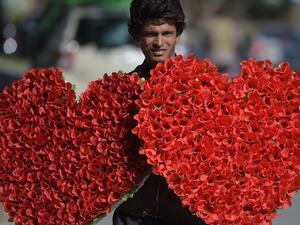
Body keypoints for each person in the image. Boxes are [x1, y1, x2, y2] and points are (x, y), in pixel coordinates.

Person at [113, 1, 207, 225]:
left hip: (185, 219)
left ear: (178, 34)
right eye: (150, 34)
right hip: (134, 217)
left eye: (167, 33)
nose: (159, 42)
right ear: (137, 35)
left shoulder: (200, 87)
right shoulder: (122, 90)